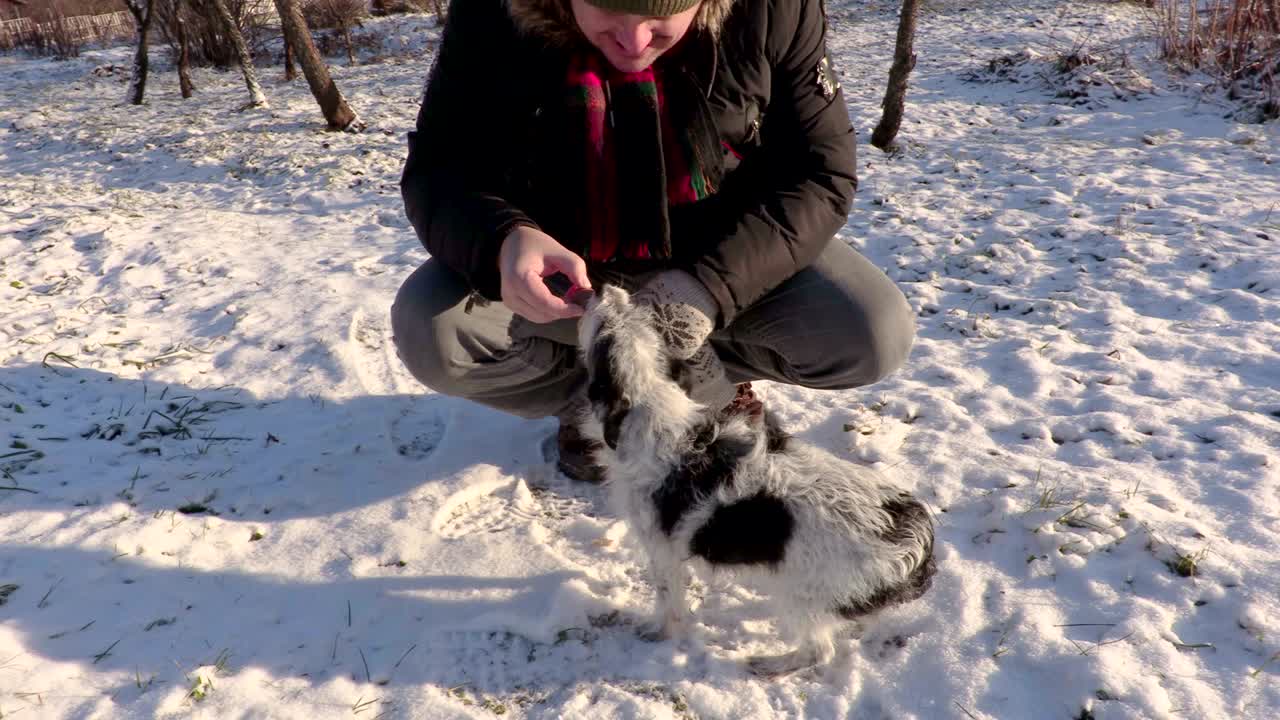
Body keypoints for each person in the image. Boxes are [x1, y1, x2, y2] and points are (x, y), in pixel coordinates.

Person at [391, 0, 915, 482]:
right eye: (607, 11)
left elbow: (820, 173)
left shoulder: (773, 9)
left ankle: (702, 387)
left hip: (721, 254)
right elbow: (440, 166)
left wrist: (711, 286)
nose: (634, 42)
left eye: (661, 15)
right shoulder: (493, 11)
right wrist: (504, 239)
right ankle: (595, 399)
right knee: (434, 331)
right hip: (567, 272)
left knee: (872, 331)